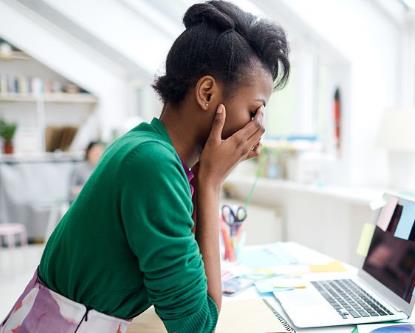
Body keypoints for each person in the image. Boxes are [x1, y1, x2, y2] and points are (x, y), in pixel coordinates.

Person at [0, 1, 290, 333]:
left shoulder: (146, 145)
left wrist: (207, 176)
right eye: (255, 110)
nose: (258, 125)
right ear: (207, 92)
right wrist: (212, 183)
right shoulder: (154, 166)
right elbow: (196, 324)